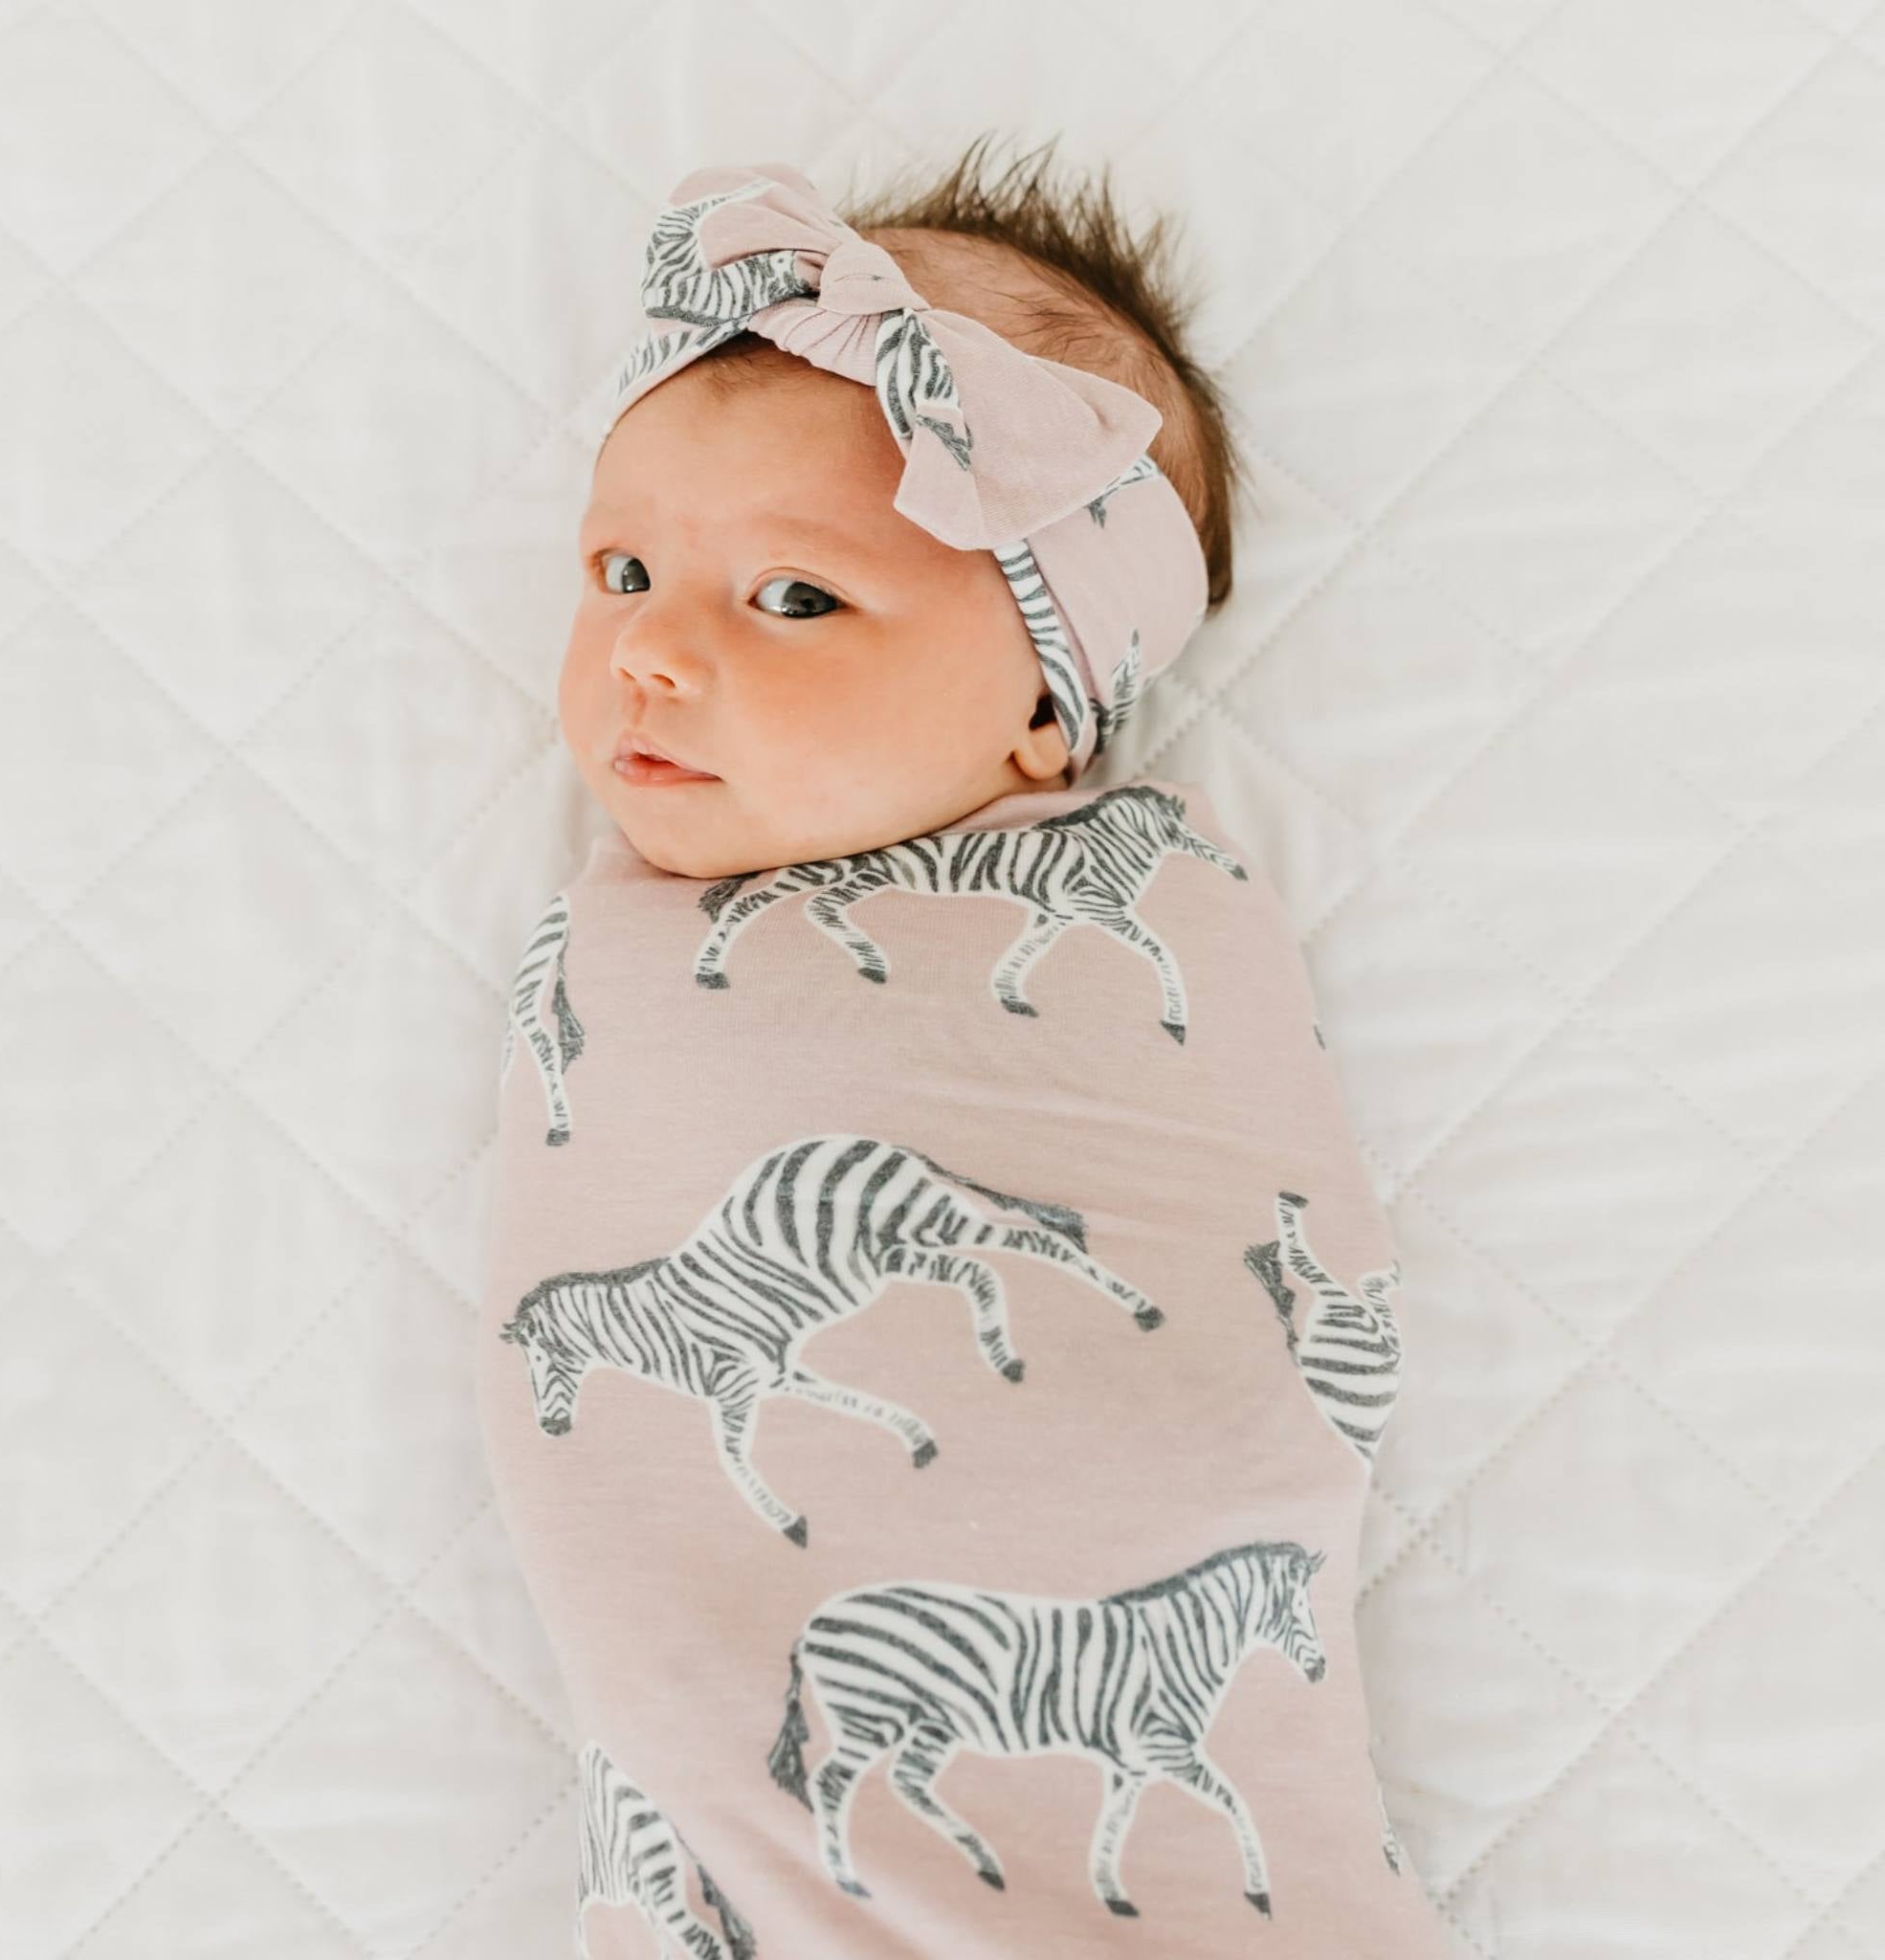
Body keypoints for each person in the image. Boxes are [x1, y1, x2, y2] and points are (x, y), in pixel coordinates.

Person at [476, 137, 1455, 1958]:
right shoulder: (611, 943)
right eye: (621, 568)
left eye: (793, 597)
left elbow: (1264, 1280)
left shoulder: (1164, 906)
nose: (647, 655)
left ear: (1045, 707)